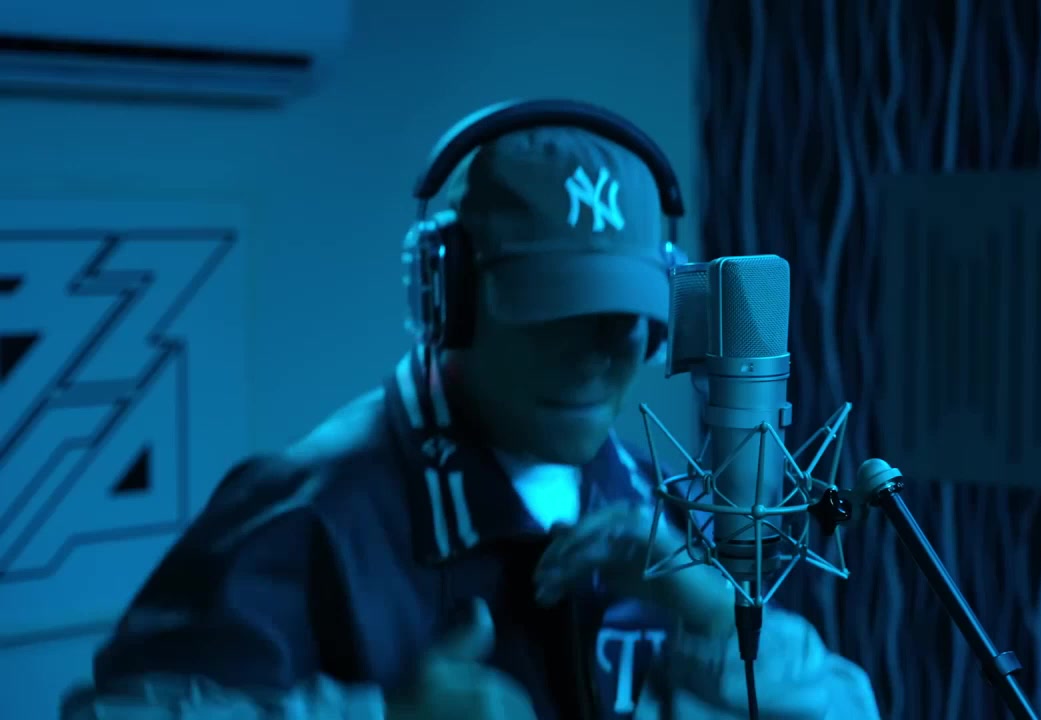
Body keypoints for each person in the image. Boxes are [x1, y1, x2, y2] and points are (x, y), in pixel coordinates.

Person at [61, 101, 882, 720]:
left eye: (620, 317)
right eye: (554, 313)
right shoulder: (311, 515)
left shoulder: (657, 510)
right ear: (446, 301)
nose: (592, 355)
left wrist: (712, 612)